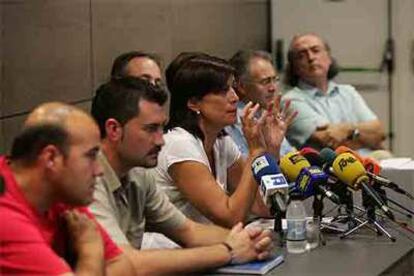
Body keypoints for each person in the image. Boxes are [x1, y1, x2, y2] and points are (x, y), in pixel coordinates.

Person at [88, 77, 273, 275]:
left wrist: (247, 241)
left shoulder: (138, 172)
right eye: (151, 129)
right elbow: (124, 264)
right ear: (114, 129)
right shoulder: (87, 181)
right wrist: (228, 251)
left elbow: (188, 231)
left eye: (161, 127)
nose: (160, 141)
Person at [150, 53, 291, 229]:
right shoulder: (179, 144)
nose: (235, 98)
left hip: (207, 248)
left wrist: (271, 150)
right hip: (169, 251)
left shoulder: (221, 142)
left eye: (232, 88)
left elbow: (265, 208)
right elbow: (230, 217)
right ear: (194, 103)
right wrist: (255, 152)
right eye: (223, 91)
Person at [0, 102, 133, 275]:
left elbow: (123, 267)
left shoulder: (60, 192)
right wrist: (91, 252)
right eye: (91, 156)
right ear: (51, 158)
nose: (99, 170)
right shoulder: (6, 218)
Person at [282, 33, 386, 153]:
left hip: (369, 166)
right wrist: (366, 136)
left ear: (329, 57)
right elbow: (330, 142)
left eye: (316, 50)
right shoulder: (290, 101)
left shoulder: (348, 92)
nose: (311, 58)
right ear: (293, 67)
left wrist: (346, 130)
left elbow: (379, 132)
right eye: (301, 55)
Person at [226, 50, 296, 158]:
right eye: (265, 82)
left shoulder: (266, 114)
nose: (273, 88)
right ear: (241, 86)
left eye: (275, 80)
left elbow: (291, 156)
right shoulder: (232, 119)